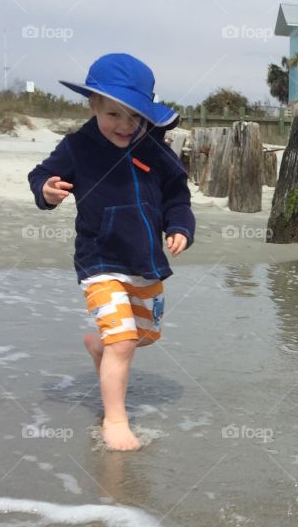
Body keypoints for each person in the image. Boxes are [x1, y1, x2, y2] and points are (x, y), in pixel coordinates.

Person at [28, 53, 194, 451]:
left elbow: (177, 196)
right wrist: (47, 190)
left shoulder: (156, 151)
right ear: (93, 106)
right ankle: (115, 420)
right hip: (99, 261)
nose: (124, 125)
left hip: (144, 260)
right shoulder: (77, 148)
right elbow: (41, 175)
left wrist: (180, 227)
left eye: (134, 116)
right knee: (123, 342)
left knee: (142, 336)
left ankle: (99, 346)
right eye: (113, 114)